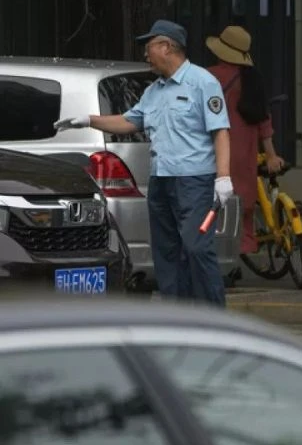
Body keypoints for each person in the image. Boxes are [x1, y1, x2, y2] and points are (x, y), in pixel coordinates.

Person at [55, 19, 233, 305]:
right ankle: (178, 316)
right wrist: (88, 120)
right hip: (161, 183)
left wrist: (223, 178)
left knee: (196, 247)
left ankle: (213, 316)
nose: (145, 54)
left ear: (167, 46)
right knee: (166, 252)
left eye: (149, 47)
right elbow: (127, 121)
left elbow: (220, 131)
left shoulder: (202, 82)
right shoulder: (154, 92)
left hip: (194, 182)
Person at [204, 24, 286, 254]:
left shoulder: (208, 77)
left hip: (215, 151)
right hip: (245, 152)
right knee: (244, 207)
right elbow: (264, 121)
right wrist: (270, 154)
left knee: (217, 206)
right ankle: (243, 249)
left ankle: (222, 258)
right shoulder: (252, 79)